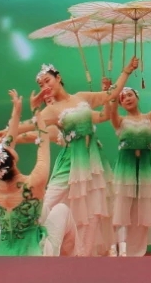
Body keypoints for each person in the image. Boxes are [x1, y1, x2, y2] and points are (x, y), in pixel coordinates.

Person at [25, 59, 138, 256]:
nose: (45, 87)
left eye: (47, 81)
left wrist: (126, 71)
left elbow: (109, 99)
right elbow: (30, 127)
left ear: (58, 78)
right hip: (70, 161)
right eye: (41, 85)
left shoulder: (81, 98)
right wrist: (8, 134)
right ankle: (32, 248)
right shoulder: (51, 110)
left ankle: (83, 257)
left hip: (92, 160)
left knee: (93, 212)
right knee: (47, 204)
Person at [0, 102, 75, 257]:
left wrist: (16, 112)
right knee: (62, 210)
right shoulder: (34, 182)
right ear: (12, 159)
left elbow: (8, 143)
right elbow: (43, 140)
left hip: (3, 254)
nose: (7, 145)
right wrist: (36, 111)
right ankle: (73, 262)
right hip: (35, 254)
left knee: (43, 211)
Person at [107, 76, 151, 256]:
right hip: (125, 170)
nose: (127, 99)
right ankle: (116, 249)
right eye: (123, 98)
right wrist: (110, 92)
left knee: (141, 211)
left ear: (137, 97)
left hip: (145, 170)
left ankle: (136, 253)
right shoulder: (119, 121)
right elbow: (111, 110)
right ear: (120, 104)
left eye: (130, 95)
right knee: (121, 209)